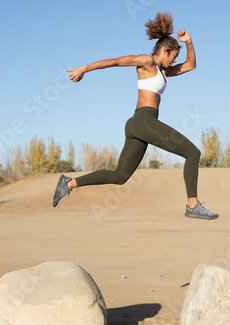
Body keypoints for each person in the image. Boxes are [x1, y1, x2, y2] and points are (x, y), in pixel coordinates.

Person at [53, 12, 218, 220]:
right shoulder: (147, 62)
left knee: (119, 176)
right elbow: (116, 61)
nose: (175, 60)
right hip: (144, 121)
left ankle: (67, 184)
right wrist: (86, 68)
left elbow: (190, 65)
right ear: (165, 51)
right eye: (174, 56)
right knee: (192, 153)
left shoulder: (163, 72)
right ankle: (192, 205)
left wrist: (189, 42)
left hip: (137, 124)